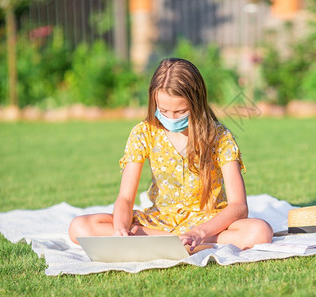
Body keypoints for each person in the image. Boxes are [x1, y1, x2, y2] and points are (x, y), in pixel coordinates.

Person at [69, 58, 273, 252]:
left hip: (208, 225)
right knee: (79, 227)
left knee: (259, 231)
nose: (171, 118)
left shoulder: (219, 137)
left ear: (197, 104)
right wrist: (120, 229)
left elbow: (238, 206)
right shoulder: (143, 133)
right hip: (160, 222)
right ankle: (175, 242)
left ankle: (176, 242)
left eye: (181, 112)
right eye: (163, 110)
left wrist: (198, 232)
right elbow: (125, 197)